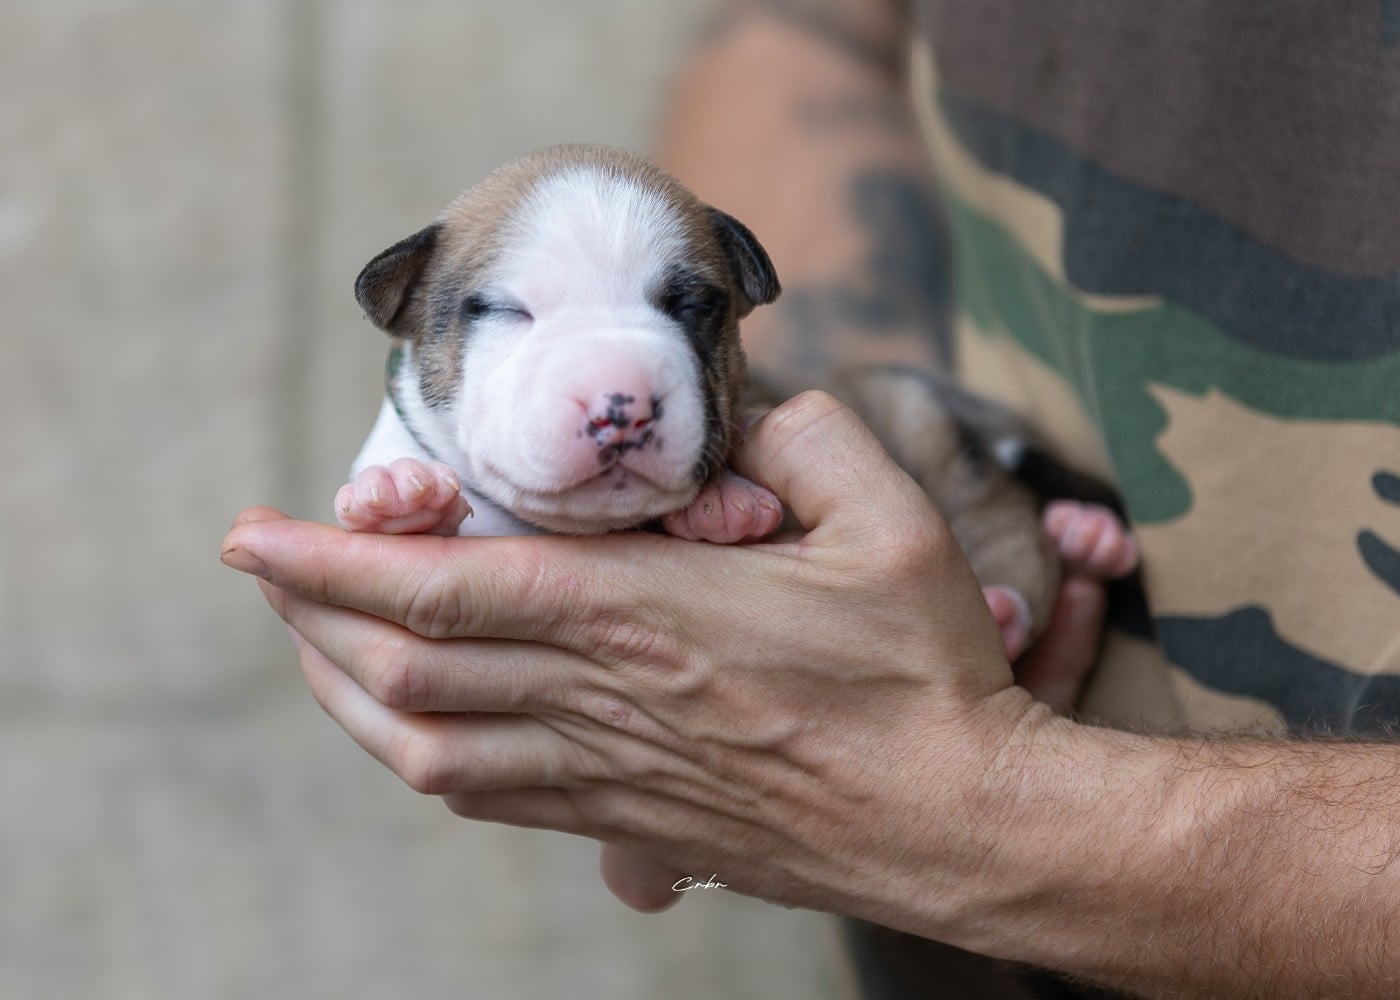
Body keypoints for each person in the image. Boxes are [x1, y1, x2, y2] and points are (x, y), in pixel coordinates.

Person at [221, 2, 1400, 996]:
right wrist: (817, 541)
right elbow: (812, 30)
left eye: (678, 311)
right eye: (509, 316)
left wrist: (993, 810)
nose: (619, 390)